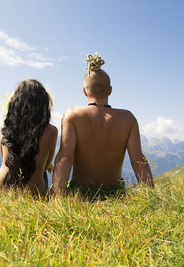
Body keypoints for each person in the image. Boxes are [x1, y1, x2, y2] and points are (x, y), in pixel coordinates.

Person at [51, 54, 153, 196]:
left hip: (80, 194)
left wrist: (57, 196)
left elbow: (65, 158)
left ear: (85, 91)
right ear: (110, 90)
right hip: (115, 194)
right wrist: (151, 197)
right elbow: (138, 160)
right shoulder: (128, 118)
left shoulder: (72, 115)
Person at [0, 79, 58, 195]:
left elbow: (6, 158)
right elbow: (46, 163)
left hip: (0, 186)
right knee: (42, 172)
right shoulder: (51, 131)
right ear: (44, 103)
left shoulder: (6, 127)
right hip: (32, 191)